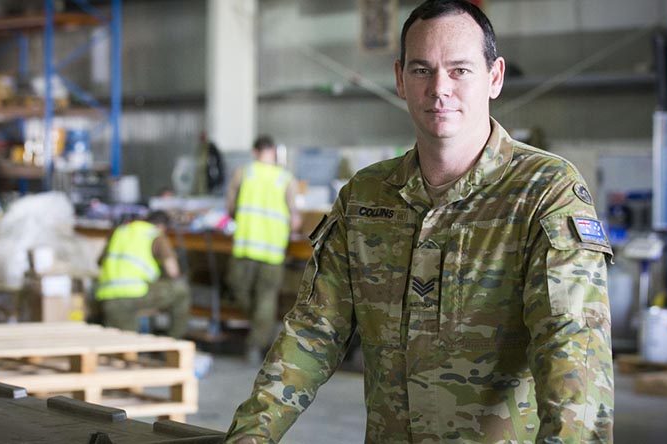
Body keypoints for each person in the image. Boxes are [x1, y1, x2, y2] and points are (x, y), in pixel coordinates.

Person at [225, 1, 614, 442]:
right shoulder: (365, 197)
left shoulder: (545, 192)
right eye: (422, 70)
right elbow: (315, 330)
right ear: (400, 79)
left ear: (495, 77)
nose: (439, 88)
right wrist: (249, 435)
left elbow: (572, 356)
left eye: (460, 70)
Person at [226, 135, 301, 363]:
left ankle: (255, 344)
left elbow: (230, 205)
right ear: (273, 152)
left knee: (238, 288)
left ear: (254, 151)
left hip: (245, 246)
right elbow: (295, 217)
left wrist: (236, 217)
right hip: (273, 249)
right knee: (265, 299)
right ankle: (260, 336)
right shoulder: (287, 178)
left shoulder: (243, 172)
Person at [96, 210, 191, 338]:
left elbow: (100, 262)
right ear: (162, 226)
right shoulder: (154, 234)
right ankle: (174, 342)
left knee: (123, 341)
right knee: (181, 291)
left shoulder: (120, 231)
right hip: (134, 295)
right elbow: (173, 271)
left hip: (107, 297)